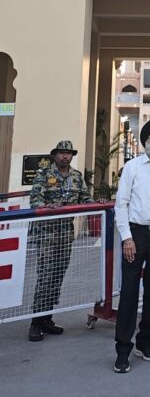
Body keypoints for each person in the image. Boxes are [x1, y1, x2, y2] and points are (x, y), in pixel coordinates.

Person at [113, 116, 150, 374]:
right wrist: (126, 238)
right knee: (129, 293)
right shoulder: (132, 167)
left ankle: (144, 342)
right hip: (135, 235)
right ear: (144, 141)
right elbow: (121, 204)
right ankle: (122, 350)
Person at [28, 140, 91, 342]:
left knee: (58, 275)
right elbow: (35, 200)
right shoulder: (44, 174)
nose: (65, 156)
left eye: (68, 153)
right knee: (45, 275)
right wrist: (48, 207)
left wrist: (98, 204)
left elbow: (85, 198)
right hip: (47, 233)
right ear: (55, 155)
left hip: (65, 234)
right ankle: (36, 322)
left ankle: (47, 318)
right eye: (62, 153)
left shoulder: (76, 177)